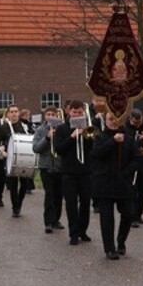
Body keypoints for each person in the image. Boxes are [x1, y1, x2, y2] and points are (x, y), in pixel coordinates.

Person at [91, 113, 139, 260]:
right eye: (110, 119)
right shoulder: (100, 137)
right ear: (105, 121)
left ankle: (121, 241)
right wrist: (113, 141)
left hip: (123, 182)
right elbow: (96, 154)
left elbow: (136, 159)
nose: (113, 122)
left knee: (129, 213)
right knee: (107, 217)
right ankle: (109, 249)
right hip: (104, 182)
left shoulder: (129, 138)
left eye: (116, 119)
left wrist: (126, 173)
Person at [54, 100, 95, 246]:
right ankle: (74, 233)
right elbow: (59, 149)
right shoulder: (61, 129)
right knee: (71, 203)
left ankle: (83, 230)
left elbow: (92, 148)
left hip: (85, 170)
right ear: (69, 112)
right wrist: (71, 137)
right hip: (68, 171)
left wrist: (86, 135)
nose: (77, 115)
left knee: (85, 202)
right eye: (74, 112)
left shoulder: (87, 128)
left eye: (80, 113)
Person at [32, 106, 65, 233]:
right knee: (49, 195)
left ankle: (56, 219)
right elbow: (36, 148)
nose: (51, 116)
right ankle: (48, 222)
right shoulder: (40, 130)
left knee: (58, 195)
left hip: (59, 166)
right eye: (48, 114)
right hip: (46, 166)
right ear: (45, 116)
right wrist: (47, 138)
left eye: (53, 114)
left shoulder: (61, 129)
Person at [0, 104, 31, 217]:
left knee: (24, 184)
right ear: (8, 114)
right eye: (12, 112)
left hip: (24, 158)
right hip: (10, 158)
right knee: (13, 184)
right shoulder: (3, 128)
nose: (14, 114)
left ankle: (19, 203)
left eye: (16, 111)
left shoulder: (25, 126)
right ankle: (15, 207)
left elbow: (33, 138)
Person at [125, 109, 143, 227]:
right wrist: (141, 141)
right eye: (135, 123)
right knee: (133, 191)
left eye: (139, 122)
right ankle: (132, 216)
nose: (137, 125)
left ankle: (139, 214)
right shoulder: (126, 130)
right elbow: (129, 146)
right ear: (130, 119)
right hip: (131, 164)